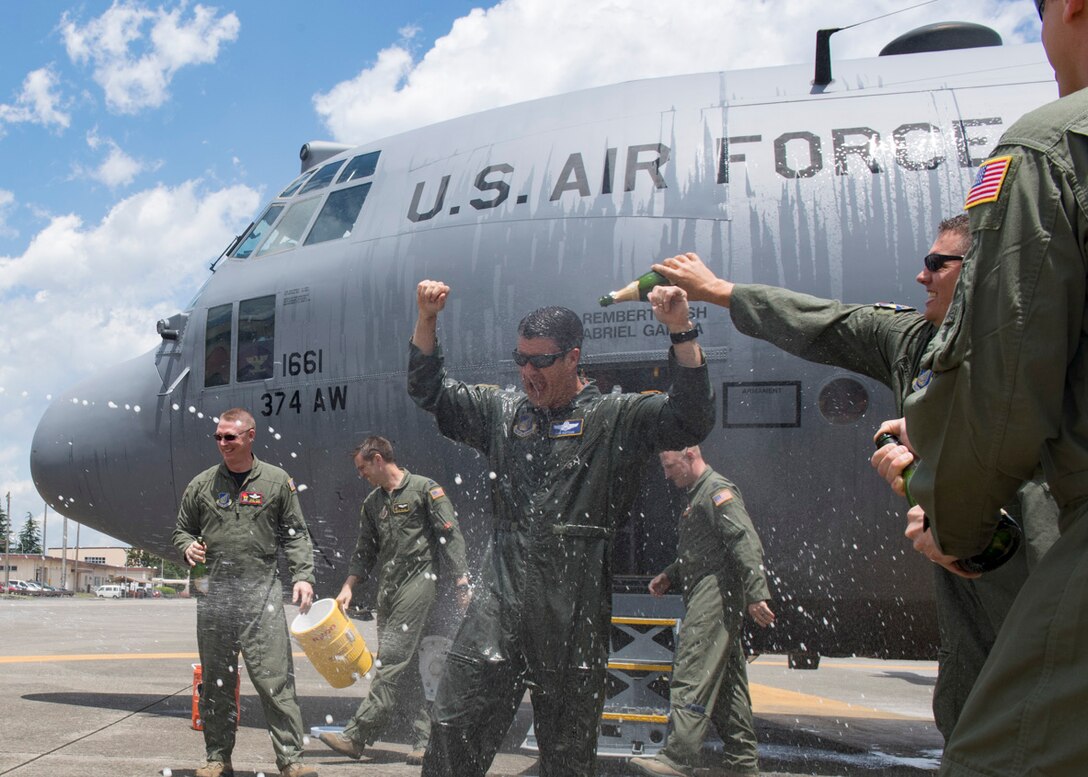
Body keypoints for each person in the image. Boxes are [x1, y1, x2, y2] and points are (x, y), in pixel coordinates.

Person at [651, 229, 1059, 741]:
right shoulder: (915, 341)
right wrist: (722, 292)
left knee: (1049, 696)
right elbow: (829, 324)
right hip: (964, 566)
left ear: (984, 271)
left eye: (938, 262)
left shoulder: (1046, 348)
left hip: (1036, 567)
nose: (921, 274)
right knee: (973, 706)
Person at [869, 2, 1088, 773]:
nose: (922, 275)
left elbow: (1001, 399)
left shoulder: (1050, 144)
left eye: (939, 264)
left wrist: (950, 520)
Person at [408, 279, 716, 777]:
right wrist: (426, 319)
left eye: (541, 361)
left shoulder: (616, 417)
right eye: (520, 360)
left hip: (572, 617)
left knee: (567, 758)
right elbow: (429, 392)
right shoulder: (503, 413)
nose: (528, 372)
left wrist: (681, 330)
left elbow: (691, 418)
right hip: (498, 607)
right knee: (450, 730)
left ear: (573, 358)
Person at [172, 408, 317, 777]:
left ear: (250, 436)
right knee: (217, 680)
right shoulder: (201, 485)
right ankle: (218, 758)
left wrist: (303, 576)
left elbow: (296, 534)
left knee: (273, 678)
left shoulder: (276, 481)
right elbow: (182, 531)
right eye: (218, 437)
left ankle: (290, 761)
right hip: (213, 593)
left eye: (230, 437)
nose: (222, 444)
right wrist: (187, 547)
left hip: (259, 593)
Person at [319, 436, 470, 765]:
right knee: (407, 667)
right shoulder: (373, 503)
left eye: (362, 468)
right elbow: (364, 551)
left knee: (390, 661)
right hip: (388, 592)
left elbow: (450, 534)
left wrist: (460, 580)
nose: (361, 475)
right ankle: (424, 739)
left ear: (377, 459)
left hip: (419, 585)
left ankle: (358, 735)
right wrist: (348, 586)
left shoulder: (424, 490)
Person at [630, 447, 774, 777]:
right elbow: (700, 551)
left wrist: (756, 593)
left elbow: (744, 539)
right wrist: (670, 574)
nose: (666, 474)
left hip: (716, 594)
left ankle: (677, 757)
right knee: (728, 684)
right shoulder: (699, 495)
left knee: (692, 668)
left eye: (670, 466)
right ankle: (742, 762)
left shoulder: (717, 492)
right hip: (706, 590)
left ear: (690, 454)